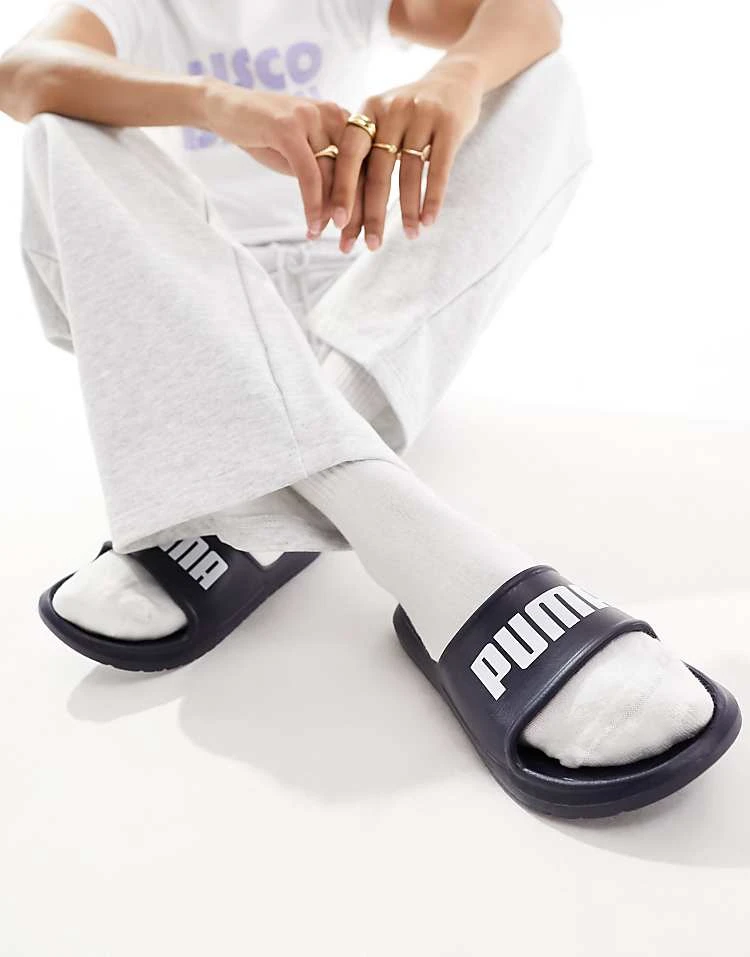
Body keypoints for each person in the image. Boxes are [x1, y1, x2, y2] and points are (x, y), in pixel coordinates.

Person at [0, 0, 739, 817]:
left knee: (543, 87)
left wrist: (456, 78)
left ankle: (246, 487)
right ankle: (448, 572)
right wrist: (216, 104)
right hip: (196, 307)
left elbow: (532, 16)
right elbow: (19, 72)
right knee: (59, 128)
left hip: (361, 310)